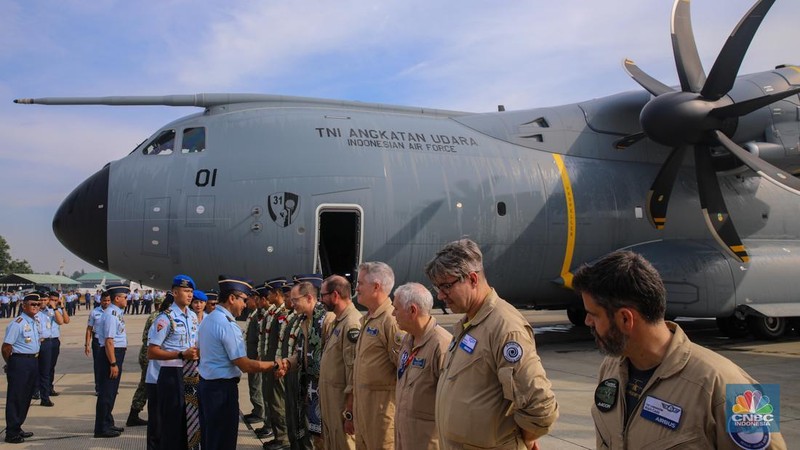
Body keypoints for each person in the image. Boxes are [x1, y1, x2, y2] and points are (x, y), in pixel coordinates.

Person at [572, 250, 787, 449]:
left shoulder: (728, 386)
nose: (587, 321)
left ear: (625, 319)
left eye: (594, 314)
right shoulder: (611, 370)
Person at [426, 239, 559, 450]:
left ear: (472, 279)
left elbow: (540, 407)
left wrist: (524, 439)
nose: (440, 296)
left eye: (446, 286)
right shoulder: (469, 323)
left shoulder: (505, 327)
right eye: (437, 287)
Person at [196, 276, 279, 450]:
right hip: (221, 392)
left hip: (207, 387)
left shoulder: (208, 320)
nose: (245, 304)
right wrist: (276, 364)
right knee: (223, 441)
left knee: (211, 438)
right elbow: (244, 365)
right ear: (232, 298)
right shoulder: (227, 325)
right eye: (243, 300)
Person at [275, 275, 335, 450]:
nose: (292, 304)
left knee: (323, 438)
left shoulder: (327, 320)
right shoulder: (304, 321)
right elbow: (300, 353)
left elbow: (331, 358)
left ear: (309, 298)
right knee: (313, 436)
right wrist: (287, 363)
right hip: (307, 388)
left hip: (322, 390)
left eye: (295, 300)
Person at [352, 262, 405, 450]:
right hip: (364, 413)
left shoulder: (391, 321)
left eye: (360, 283)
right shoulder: (368, 319)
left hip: (382, 418)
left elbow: (404, 370)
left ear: (376, 286)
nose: (356, 288)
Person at [393, 282, 452, 450]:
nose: (393, 313)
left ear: (412, 310)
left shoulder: (441, 345)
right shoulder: (407, 340)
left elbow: (451, 404)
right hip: (403, 438)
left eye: (396, 309)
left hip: (427, 442)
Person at [147, 275, 199, 449]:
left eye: (191, 291)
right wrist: (180, 354)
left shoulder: (192, 316)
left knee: (190, 420)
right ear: (175, 293)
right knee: (171, 423)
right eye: (186, 291)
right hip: (172, 374)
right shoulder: (165, 318)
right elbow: (152, 351)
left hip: (191, 372)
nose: (190, 295)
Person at [318, 274, 361, 450]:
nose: (320, 300)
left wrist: (349, 412)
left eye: (323, 295)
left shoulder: (351, 324)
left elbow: (352, 372)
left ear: (335, 295)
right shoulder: (337, 321)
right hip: (331, 401)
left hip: (341, 405)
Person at [2, 292, 42, 444]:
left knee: (26, 397)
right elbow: (6, 347)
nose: (36, 307)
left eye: (38, 305)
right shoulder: (17, 323)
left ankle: (17, 426)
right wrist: (11, 363)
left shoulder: (33, 321)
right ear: (24, 306)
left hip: (32, 361)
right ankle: (11, 432)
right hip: (19, 362)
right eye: (32, 304)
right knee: (16, 397)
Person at [94, 283, 130, 438]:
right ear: (117, 298)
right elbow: (109, 340)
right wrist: (113, 363)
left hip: (116, 353)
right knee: (107, 392)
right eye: (125, 297)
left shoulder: (116, 312)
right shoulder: (110, 315)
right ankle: (101, 428)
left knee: (111, 392)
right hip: (111, 354)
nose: (127, 299)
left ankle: (108, 422)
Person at [260, 277, 292, 450]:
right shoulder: (276, 313)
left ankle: (283, 438)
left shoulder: (285, 315)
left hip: (279, 364)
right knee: (272, 400)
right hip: (271, 363)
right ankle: (277, 434)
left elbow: (284, 343)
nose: (268, 295)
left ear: (277, 294)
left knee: (278, 401)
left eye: (271, 292)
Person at [32, 291, 67, 406]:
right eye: (40, 300)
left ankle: (45, 396)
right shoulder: (33, 312)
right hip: (36, 343)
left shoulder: (52, 311)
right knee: (35, 369)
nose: (43, 302)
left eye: (45, 300)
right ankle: (35, 391)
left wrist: (56, 308)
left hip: (48, 343)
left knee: (46, 370)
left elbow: (61, 321)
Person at [243, 289, 267, 426]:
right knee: (253, 384)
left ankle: (260, 412)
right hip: (251, 355)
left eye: (249, 299)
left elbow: (261, 336)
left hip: (256, 356)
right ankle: (256, 409)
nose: (247, 302)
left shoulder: (260, 315)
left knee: (256, 385)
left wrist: (259, 355)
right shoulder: (253, 314)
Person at [85, 291, 111, 396]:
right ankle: (99, 388)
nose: (106, 302)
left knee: (111, 363)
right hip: (97, 342)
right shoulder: (94, 312)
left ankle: (109, 387)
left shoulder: (114, 312)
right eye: (104, 300)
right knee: (98, 366)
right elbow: (89, 329)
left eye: (108, 300)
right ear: (100, 301)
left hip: (110, 341)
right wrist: (86, 344)